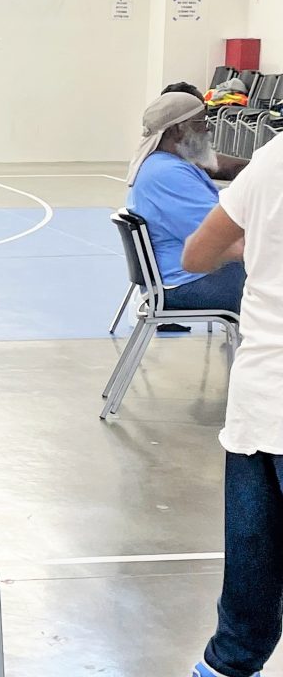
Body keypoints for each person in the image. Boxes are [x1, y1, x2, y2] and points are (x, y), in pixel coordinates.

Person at [180, 123, 283, 677]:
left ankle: (224, 668)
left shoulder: (272, 157)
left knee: (251, 575)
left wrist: (261, 244)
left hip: (259, 399)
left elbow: (198, 254)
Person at [126, 92, 245, 315]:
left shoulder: (166, 164)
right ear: (177, 130)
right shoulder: (168, 174)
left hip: (187, 274)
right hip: (189, 282)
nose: (208, 129)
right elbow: (228, 239)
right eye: (201, 122)